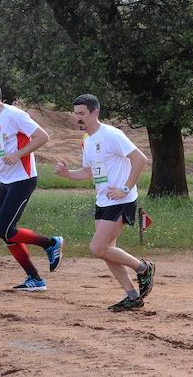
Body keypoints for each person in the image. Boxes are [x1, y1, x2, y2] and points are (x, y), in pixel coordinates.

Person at [0, 79, 63, 291]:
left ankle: (51, 243)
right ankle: (34, 279)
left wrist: (18, 154)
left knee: (4, 229)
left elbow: (43, 137)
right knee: (7, 234)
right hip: (5, 180)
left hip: (23, 179)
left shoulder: (15, 115)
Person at [55, 94, 155, 311]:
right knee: (107, 250)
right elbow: (88, 172)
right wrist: (67, 174)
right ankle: (132, 296)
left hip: (121, 199)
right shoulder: (87, 140)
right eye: (76, 114)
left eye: (82, 114)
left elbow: (140, 159)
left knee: (98, 247)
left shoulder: (112, 134)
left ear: (95, 112)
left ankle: (143, 268)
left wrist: (125, 188)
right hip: (103, 201)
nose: (78, 118)